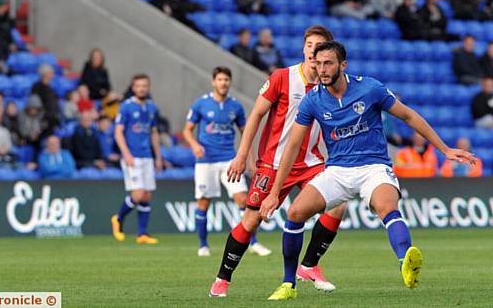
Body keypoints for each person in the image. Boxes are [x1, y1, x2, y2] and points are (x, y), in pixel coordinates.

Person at [260, 40, 474, 300]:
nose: (322, 69)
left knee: (387, 207)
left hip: (373, 166)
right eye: (318, 64)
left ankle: (405, 262)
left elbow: (408, 116)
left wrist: (445, 149)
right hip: (337, 170)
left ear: (343, 65)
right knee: (294, 213)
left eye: (328, 63)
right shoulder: (312, 100)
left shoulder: (369, 88)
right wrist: (273, 193)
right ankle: (288, 284)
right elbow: (292, 147)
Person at [209, 26, 344, 298]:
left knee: (337, 207)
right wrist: (241, 154)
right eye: (309, 45)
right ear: (304, 48)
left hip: (311, 163)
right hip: (273, 164)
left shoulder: (331, 84)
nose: (313, 51)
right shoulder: (283, 77)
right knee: (251, 220)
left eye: (319, 46)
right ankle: (222, 278)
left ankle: (309, 266)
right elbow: (256, 115)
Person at [183, 66, 271, 257]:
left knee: (243, 200)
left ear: (229, 83)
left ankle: (253, 242)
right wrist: (194, 145)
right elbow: (187, 130)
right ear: (213, 82)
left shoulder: (236, 106)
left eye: (226, 80)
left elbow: (245, 133)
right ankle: (203, 245)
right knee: (204, 203)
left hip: (229, 160)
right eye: (220, 80)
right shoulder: (201, 104)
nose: (223, 83)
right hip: (206, 161)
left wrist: (251, 160)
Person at [110, 74, 163, 245]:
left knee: (147, 195)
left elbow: (154, 132)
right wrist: (126, 154)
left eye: (144, 86)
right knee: (138, 194)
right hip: (132, 156)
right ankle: (118, 218)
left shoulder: (152, 108)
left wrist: (158, 157)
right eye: (138, 86)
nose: (142, 88)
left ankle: (142, 234)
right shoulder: (125, 107)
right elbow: (118, 132)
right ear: (133, 88)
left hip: (147, 156)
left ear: (148, 87)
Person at [31, 64, 60, 130]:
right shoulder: (37, 87)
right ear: (45, 74)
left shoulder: (50, 87)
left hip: (52, 118)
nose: (53, 74)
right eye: (51, 73)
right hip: (43, 119)